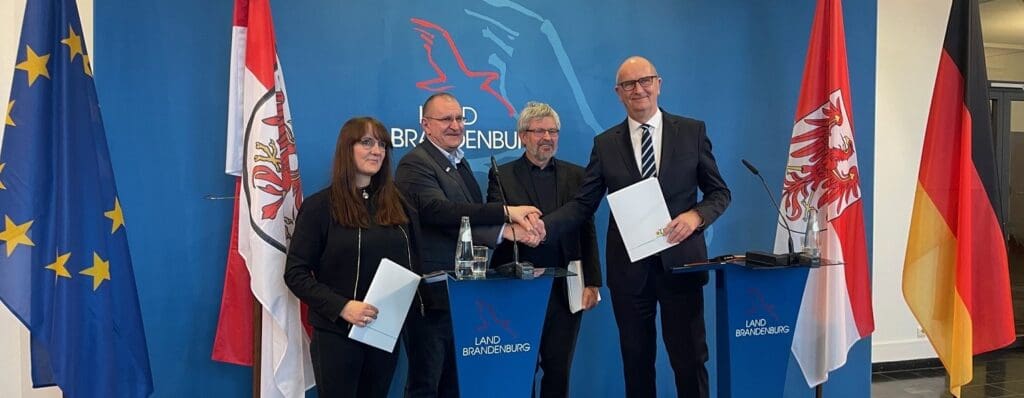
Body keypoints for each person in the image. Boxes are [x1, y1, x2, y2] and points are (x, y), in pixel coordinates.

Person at [541, 56, 731, 398]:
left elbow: (719, 192)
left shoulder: (691, 131)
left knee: (689, 360)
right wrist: (542, 227)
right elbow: (584, 204)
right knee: (636, 362)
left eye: (645, 81)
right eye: (629, 84)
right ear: (618, 93)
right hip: (630, 271)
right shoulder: (605, 143)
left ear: (658, 84)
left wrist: (696, 216)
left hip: (681, 266)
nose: (638, 89)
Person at [395, 92, 544, 398]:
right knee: (426, 384)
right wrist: (506, 211)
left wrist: (508, 233)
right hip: (431, 295)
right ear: (425, 125)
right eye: (446, 119)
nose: (455, 125)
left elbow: (467, 225)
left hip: (462, 295)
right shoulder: (415, 163)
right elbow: (439, 211)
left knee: (454, 384)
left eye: (460, 118)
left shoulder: (458, 164)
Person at [283, 117, 420, 398]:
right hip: (336, 337)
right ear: (348, 148)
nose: (377, 150)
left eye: (382, 144)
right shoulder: (320, 207)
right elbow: (295, 273)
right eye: (367, 142)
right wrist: (342, 307)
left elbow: (415, 263)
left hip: (385, 335)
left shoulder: (400, 205)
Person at [486, 101, 602, 398]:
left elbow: (586, 229)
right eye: (539, 131)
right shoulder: (501, 174)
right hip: (516, 287)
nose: (547, 138)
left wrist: (593, 281)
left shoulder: (577, 175)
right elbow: (496, 224)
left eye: (553, 131)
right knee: (518, 368)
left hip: (566, 288)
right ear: (523, 136)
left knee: (559, 370)